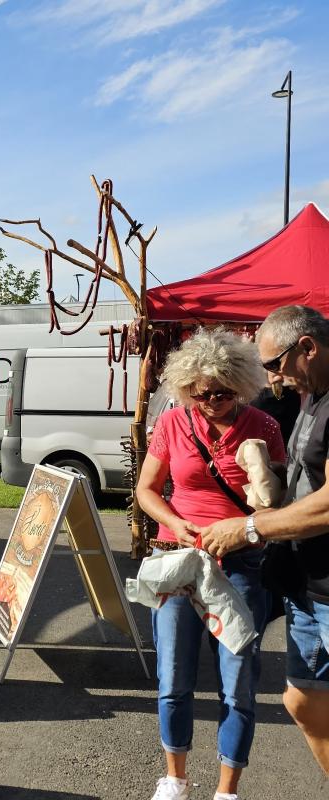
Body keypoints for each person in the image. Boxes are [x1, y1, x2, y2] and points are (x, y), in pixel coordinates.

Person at [135, 328, 286, 800]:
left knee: (238, 682)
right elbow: (145, 490)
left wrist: (253, 507)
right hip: (177, 563)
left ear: (240, 385)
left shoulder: (264, 426)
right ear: (185, 389)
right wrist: (174, 523)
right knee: (173, 678)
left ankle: (227, 790)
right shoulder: (174, 423)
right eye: (201, 395)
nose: (211, 402)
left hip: (241, 564)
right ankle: (175, 778)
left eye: (222, 393)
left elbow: (277, 504)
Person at [202, 305, 329, 776]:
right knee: (302, 700)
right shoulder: (313, 396)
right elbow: (310, 479)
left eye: (274, 364)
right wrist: (272, 476)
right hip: (305, 587)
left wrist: (249, 527)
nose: (272, 379)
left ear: (308, 348)